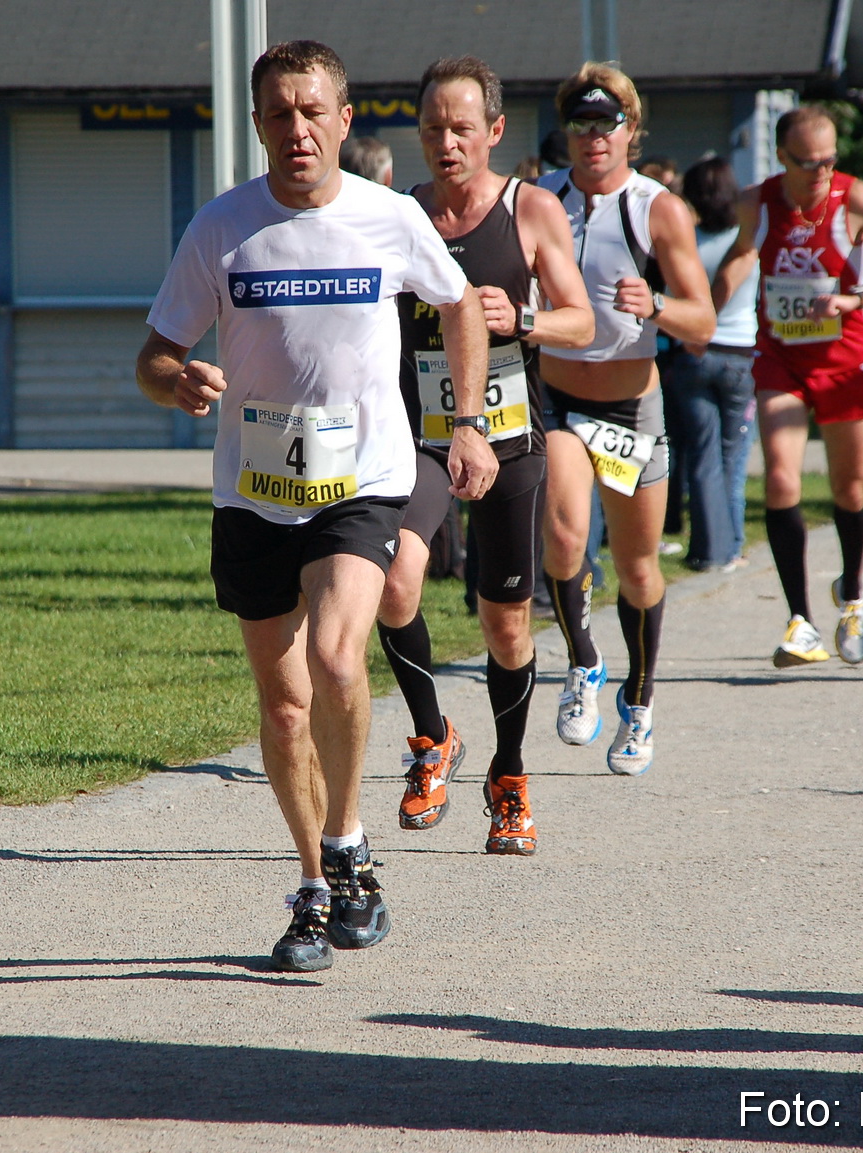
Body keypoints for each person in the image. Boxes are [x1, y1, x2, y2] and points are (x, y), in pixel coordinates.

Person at [136, 40, 495, 972]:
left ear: (344, 120)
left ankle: (347, 843)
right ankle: (311, 885)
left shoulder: (388, 218)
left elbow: (458, 307)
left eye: (312, 112)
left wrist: (466, 422)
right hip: (254, 495)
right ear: (257, 125)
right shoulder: (222, 228)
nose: (296, 130)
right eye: (279, 114)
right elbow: (153, 352)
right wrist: (177, 379)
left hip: (363, 484)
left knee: (339, 656)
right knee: (285, 707)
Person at [379, 56, 593, 855]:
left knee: (504, 627)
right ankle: (434, 738)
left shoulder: (530, 208)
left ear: (494, 131)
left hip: (508, 438)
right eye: (432, 128)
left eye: (461, 128)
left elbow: (584, 322)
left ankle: (508, 776)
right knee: (396, 581)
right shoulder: (398, 214)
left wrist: (526, 317)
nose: (446, 142)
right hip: (423, 436)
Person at [537, 64, 715, 776]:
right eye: (579, 125)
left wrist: (659, 306)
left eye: (606, 124)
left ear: (630, 131)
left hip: (631, 407)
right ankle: (584, 661)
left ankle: (638, 705)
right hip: (556, 400)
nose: (592, 138)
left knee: (639, 568)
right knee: (562, 532)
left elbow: (703, 322)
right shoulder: (541, 200)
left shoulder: (658, 209)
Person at [715, 104, 863, 668]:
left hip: (846, 359)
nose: (820, 172)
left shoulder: (857, 200)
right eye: (807, 163)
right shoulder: (756, 202)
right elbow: (742, 255)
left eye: (828, 161)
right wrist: (713, 301)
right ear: (782, 157)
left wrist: (857, 299)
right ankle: (801, 622)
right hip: (780, 359)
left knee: (850, 487)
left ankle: (854, 594)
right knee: (782, 479)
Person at [665, 155, 760, 571]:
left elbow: (672, 294)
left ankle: (706, 549)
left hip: (693, 354)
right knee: (732, 458)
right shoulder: (746, 239)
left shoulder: (685, 241)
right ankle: (732, 545)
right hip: (739, 355)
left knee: (702, 458)